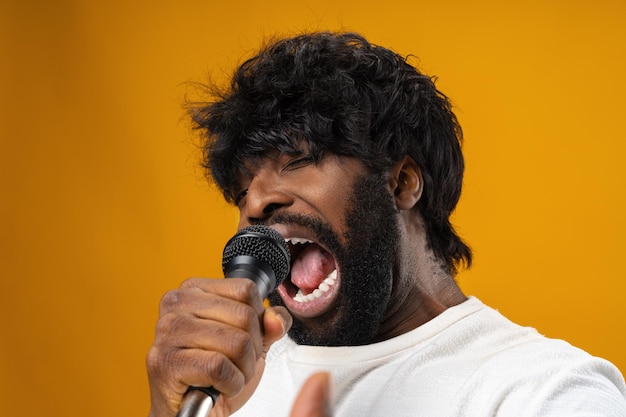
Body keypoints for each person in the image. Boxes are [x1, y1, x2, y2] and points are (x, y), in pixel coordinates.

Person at [146, 32, 626, 417]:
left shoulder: (545, 391)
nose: (255, 202)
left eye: (298, 160)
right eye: (241, 189)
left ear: (402, 182)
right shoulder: (223, 387)